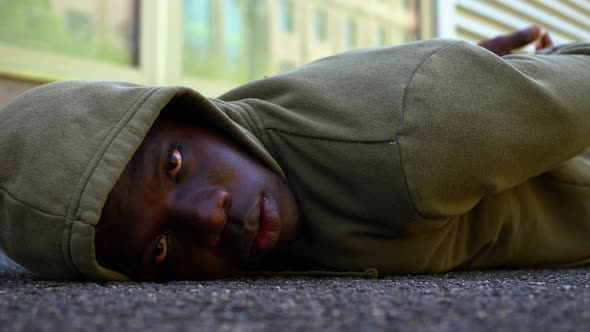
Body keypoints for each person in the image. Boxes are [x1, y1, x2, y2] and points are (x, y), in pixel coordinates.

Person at [1, 26, 588, 281]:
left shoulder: (421, 134)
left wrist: (464, 95)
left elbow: (417, 118)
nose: (205, 218)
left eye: (173, 166)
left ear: (192, 111)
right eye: (158, 248)